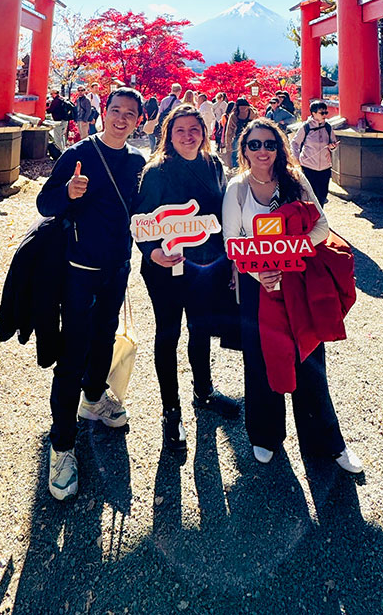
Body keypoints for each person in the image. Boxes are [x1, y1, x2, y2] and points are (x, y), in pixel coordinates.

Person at [222, 118, 362, 472]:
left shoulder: (295, 180)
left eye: (269, 144)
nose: (263, 151)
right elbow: (231, 241)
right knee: (260, 362)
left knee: (309, 360)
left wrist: (290, 254)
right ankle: (264, 435)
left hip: (298, 281)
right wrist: (261, 271)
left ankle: (326, 441)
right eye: (254, 144)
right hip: (257, 285)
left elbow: (322, 226)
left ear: (279, 147)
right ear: (244, 150)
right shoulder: (237, 187)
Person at [36, 87, 147, 500]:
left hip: (117, 267)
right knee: (72, 352)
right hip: (79, 270)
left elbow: (146, 213)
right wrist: (68, 193)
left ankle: (95, 398)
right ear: (104, 112)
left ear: (139, 120)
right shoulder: (78, 154)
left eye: (130, 113)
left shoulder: (138, 161)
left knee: (104, 339)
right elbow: (44, 204)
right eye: (115, 110)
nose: (121, 118)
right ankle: (62, 444)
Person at [136, 104, 239, 452]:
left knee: (201, 329)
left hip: (204, 266)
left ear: (204, 132)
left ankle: (204, 392)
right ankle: (171, 410)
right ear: (169, 134)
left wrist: (230, 261)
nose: (188, 136)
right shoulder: (156, 171)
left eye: (194, 129)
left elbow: (224, 215)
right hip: (164, 266)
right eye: (179, 130)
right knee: (168, 333)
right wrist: (152, 252)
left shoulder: (214, 165)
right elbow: (141, 219)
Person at [291, 100, 338, 205]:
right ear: (313, 113)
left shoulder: (328, 127)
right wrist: (296, 159)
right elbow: (294, 143)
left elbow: (333, 144)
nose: (325, 115)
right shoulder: (306, 127)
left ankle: (319, 213)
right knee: (309, 196)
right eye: (322, 113)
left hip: (325, 167)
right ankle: (309, 214)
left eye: (326, 112)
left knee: (322, 196)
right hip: (308, 167)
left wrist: (333, 147)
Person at [224, 97, 255, 169]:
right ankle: (236, 167)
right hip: (238, 135)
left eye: (245, 107)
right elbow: (229, 130)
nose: (243, 109)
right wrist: (228, 143)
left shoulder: (253, 114)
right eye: (241, 107)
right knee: (235, 151)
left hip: (251, 135)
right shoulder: (234, 116)